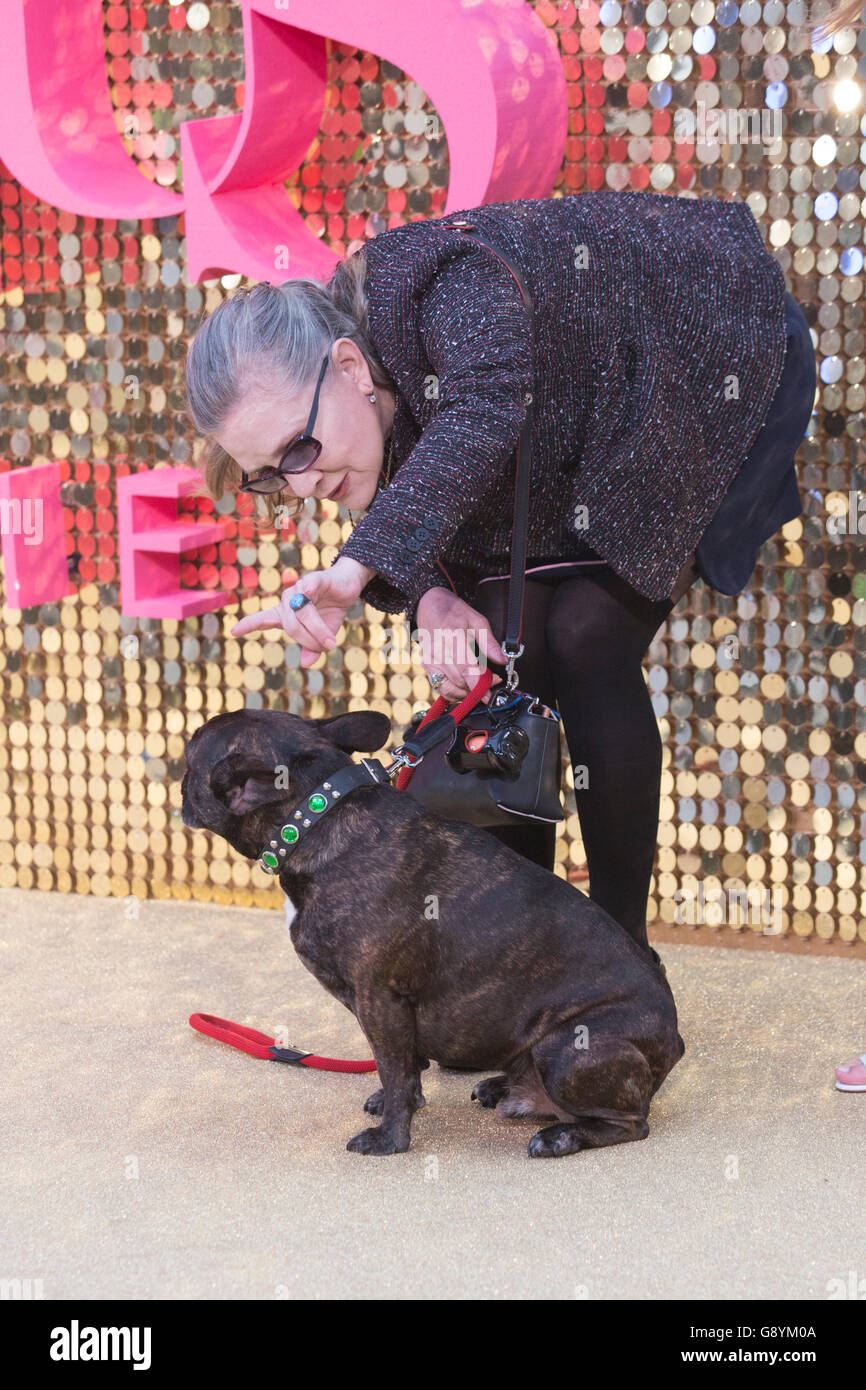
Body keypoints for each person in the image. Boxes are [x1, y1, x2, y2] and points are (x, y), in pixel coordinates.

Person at [185, 191, 816, 961]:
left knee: (587, 634)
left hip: (707, 358)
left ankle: (619, 955)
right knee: (508, 657)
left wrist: (357, 569)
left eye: (299, 450)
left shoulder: (443, 283)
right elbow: (431, 480)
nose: (301, 484)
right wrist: (434, 597)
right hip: (562, 433)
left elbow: (482, 411)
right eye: (269, 475)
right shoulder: (351, 408)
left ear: (350, 367)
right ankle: (525, 956)